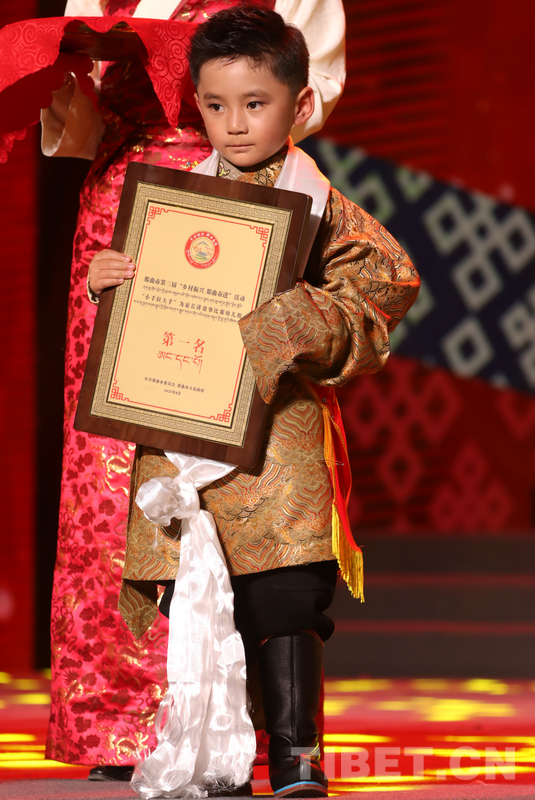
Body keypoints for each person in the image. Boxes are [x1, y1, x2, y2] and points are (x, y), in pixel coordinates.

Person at [88, 6, 420, 796]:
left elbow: (387, 281)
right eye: (214, 105)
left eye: (255, 103)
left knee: (285, 594)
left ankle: (297, 756)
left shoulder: (315, 201)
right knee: (200, 593)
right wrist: (110, 283)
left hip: (277, 436)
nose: (234, 124)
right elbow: (150, 309)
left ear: (299, 104)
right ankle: (223, 756)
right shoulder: (171, 201)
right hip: (184, 424)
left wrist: (291, 318)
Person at [42, 0, 346, 782]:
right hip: (125, 208)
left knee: (235, 459)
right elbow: (81, 121)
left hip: (239, 205)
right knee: (112, 467)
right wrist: (65, 73)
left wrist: (224, 126)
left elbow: (307, 88)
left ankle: (238, 728)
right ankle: (124, 722)